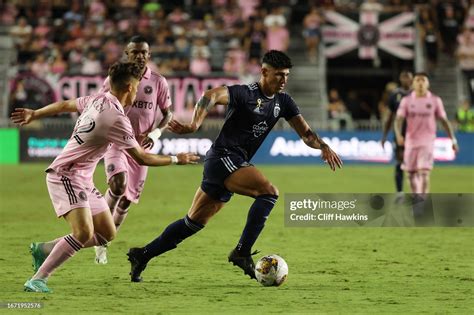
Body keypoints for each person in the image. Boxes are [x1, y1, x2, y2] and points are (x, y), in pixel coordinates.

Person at [125, 50, 342, 283]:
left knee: (192, 223)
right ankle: (242, 252)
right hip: (223, 158)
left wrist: (322, 146)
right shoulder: (245, 93)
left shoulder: (284, 102)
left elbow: (306, 134)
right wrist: (195, 123)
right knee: (269, 193)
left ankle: (142, 254)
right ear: (264, 72)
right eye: (279, 75)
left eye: (286, 75)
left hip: (228, 164)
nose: (283, 80)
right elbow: (211, 95)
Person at [11, 62, 199, 293]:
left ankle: (45, 249)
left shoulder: (97, 99)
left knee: (106, 234)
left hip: (83, 179)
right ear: (130, 87)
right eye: (138, 86)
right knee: (83, 233)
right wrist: (176, 159)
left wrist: (36, 113)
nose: (139, 90)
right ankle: (38, 279)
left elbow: (66, 104)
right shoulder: (116, 118)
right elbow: (141, 158)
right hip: (66, 175)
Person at [94, 36, 173, 265]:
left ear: (149, 55)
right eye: (134, 52)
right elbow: (99, 103)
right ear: (127, 55)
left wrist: (155, 134)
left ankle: (105, 238)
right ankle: (100, 237)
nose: (139, 56)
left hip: (141, 146)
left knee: (127, 200)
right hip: (117, 142)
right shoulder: (115, 79)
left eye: (143, 52)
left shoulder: (158, 81)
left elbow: (168, 114)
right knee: (117, 186)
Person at [394, 72, 459, 195]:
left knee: (424, 172)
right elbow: (398, 120)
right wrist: (398, 135)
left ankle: (421, 202)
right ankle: (417, 197)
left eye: (423, 80)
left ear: (427, 83)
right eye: (417, 80)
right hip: (411, 142)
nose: (420, 83)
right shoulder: (406, 101)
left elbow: (444, 121)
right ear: (413, 83)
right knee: (411, 174)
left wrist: (453, 140)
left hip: (427, 141)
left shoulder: (435, 100)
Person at [381, 71, 413, 200]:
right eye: (403, 77)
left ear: (412, 79)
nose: (405, 79)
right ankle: (400, 193)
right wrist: (384, 136)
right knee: (400, 162)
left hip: (415, 134)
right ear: (400, 79)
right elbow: (390, 117)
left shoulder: (418, 94)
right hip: (400, 134)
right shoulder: (395, 95)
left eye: (408, 77)